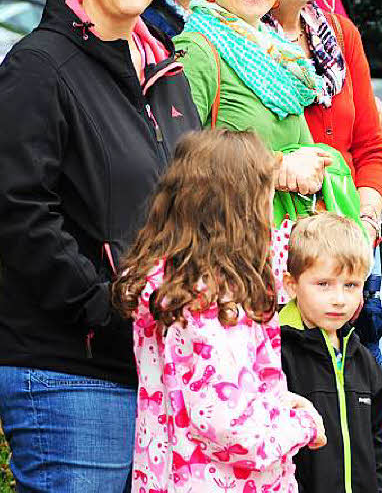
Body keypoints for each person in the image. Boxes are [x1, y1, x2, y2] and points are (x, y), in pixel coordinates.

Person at [0, 0, 202, 492]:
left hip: (155, 360)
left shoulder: (166, 69)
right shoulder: (38, 68)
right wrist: (105, 306)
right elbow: (18, 212)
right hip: (68, 366)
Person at [113, 129, 326, 493]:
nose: (269, 216)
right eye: (266, 198)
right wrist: (301, 425)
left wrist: (276, 400)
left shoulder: (166, 283)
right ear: (240, 208)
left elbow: (199, 392)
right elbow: (227, 425)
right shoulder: (214, 305)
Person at [173, 0, 336, 208]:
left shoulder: (278, 52)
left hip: (282, 243)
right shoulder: (196, 49)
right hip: (226, 244)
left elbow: (305, 152)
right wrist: (275, 166)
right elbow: (178, 156)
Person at [253, 0, 382, 246]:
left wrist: (366, 223)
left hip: (348, 242)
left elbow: (371, 146)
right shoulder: (240, 43)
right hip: (272, 237)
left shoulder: (341, 35)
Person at [280, 213, 382, 493]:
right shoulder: (277, 355)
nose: (339, 299)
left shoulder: (364, 360)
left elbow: (377, 445)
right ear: (292, 284)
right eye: (324, 284)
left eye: (351, 285)